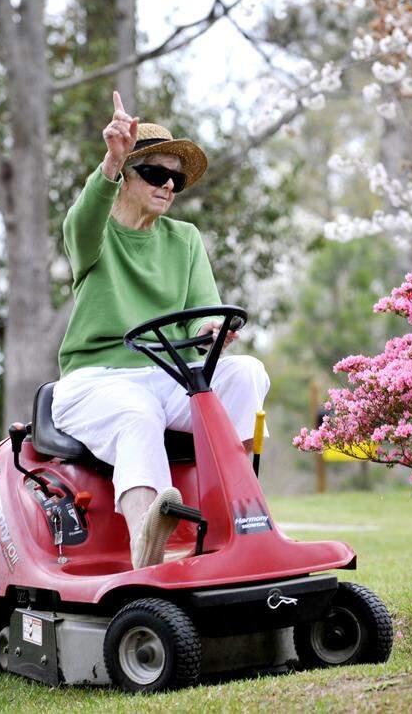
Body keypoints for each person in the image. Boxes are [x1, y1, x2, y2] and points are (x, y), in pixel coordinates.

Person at [52, 91, 270, 569]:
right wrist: (110, 160)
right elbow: (83, 218)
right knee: (135, 414)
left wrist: (213, 329)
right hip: (98, 379)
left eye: (176, 178)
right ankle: (144, 543)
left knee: (246, 373)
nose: (169, 185)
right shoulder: (94, 234)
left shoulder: (184, 239)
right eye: (156, 173)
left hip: (169, 373)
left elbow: (202, 312)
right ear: (125, 178)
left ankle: (242, 520)